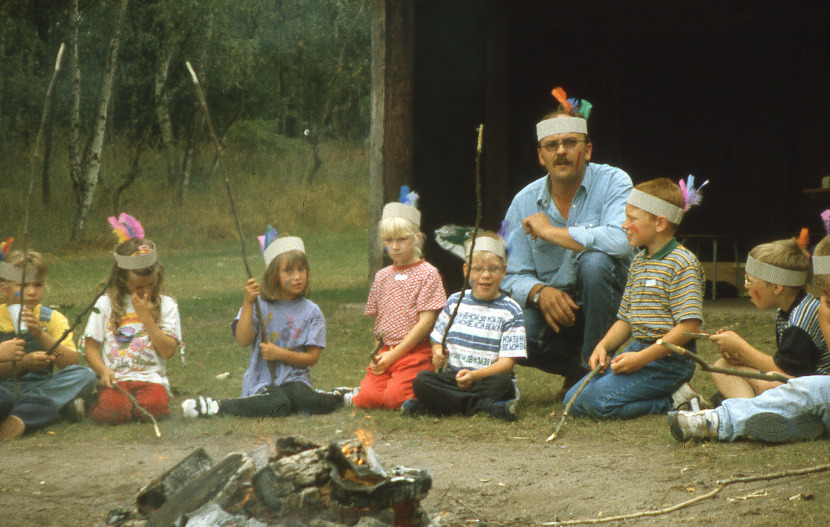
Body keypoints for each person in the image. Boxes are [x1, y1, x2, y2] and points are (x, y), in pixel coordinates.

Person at [501, 88, 633, 397]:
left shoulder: (615, 181)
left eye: (570, 143)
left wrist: (549, 232)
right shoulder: (523, 201)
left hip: (610, 302)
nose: (561, 151)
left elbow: (621, 241)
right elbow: (507, 272)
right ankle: (586, 373)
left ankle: (591, 371)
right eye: (551, 145)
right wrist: (539, 291)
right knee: (518, 333)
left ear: (587, 151)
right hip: (557, 310)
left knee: (595, 261)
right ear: (541, 156)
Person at [562, 177, 706, 419]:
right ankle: (668, 396)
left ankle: (674, 401)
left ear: (660, 223)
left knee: (600, 404)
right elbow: (626, 318)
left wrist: (642, 359)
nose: (624, 224)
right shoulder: (639, 262)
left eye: (632, 218)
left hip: (668, 362)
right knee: (572, 402)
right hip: (637, 352)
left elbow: (689, 327)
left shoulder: (683, 264)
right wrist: (603, 346)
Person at [181, 230, 341, 418]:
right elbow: (243, 340)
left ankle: (341, 396)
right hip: (263, 381)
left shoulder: (311, 311)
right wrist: (248, 303)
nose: (297, 276)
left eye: (301, 269)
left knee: (305, 401)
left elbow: (312, 358)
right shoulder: (260, 305)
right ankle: (215, 407)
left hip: (296, 380)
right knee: (279, 404)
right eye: (288, 271)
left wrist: (280, 354)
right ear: (274, 274)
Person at [404, 232, 527, 421]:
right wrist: (438, 352)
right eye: (477, 269)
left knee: (502, 384)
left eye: (493, 269)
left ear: (503, 271)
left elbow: (506, 364)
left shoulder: (511, 310)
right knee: (422, 380)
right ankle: (486, 408)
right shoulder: (455, 302)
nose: (485, 276)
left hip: (486, 380)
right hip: (454, 378)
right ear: (466, 270)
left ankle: (435, 407)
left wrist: (475, 376)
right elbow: (437, 341)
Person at [350, 188, 447, 410]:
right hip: (385, 352)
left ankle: (421, 389)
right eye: (389, 240)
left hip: (414, 353)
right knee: (367, 400)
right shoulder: (382, 276)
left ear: (417, 238)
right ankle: (372, 387)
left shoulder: (428, 273)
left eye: (402, 239)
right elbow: (380, 321)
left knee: (393, 400)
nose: (395, 246)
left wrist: (396, 354)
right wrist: (380, 352)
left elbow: (426, 323)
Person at [81, 214, 183, 424]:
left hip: (150, 378)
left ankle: (151, 402)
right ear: (122, 279)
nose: (146, 291)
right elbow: (90, 347)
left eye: (151, 285)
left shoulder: (167, 305)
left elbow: (168, 351)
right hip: (116, 378)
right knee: (114, 411)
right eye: (138, 286)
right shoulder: (105, 304)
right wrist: (103, 370)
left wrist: (146, 317)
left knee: (155, 409)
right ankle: (88, 405)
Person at [707, 238, 828, 401]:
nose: (746, 286)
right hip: (804, 386)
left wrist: (741, 349)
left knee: (770, 382)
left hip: (816, 394)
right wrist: (740, 358)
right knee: (722, 366)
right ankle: (746, 410)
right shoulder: (785, 312)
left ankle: (747, 412)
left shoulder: (802, 318)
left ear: (777, 287)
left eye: (750, 280)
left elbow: (787, 373)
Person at [0, 248, 96, 429]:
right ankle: (48, 409)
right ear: (3, 289)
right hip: (3, 389)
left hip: (41, 387)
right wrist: (23, 364)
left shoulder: (52, 319)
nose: (31, 292)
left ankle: (20, 416)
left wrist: (41, 335)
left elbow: (70, 363)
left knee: (85, 375)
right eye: (23, 285)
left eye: (38, 285)